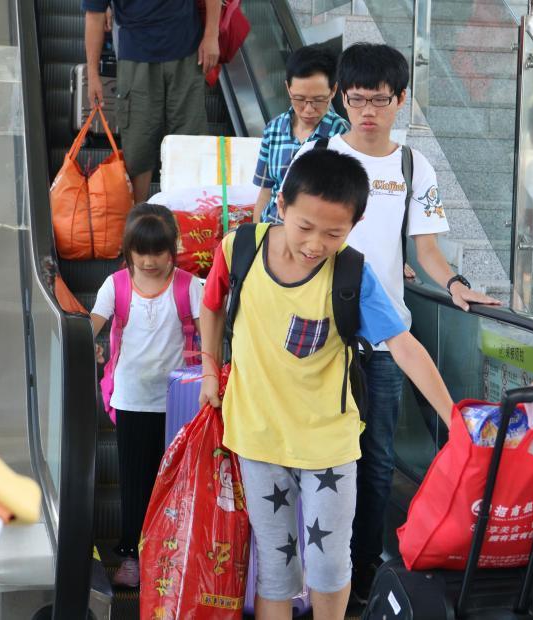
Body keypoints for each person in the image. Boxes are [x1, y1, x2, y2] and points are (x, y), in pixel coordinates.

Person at [198, 149, 454, 620]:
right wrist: (210, 369)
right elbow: (212, 305)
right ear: (280, 205)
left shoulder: (353, 274)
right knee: (275, 564)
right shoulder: (241, 249)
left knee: (330, 563)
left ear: (354, 225)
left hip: (328, 443)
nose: (316, 244)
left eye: (334, 233)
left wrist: (453, 419)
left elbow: (403, 345)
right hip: (258, 436)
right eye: (305, 227)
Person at [292, 42, 500, 601]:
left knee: (377, 460)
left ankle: (360, 578)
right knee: (314, 453)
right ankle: (311, 576)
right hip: (318, 336)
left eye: (380, 101)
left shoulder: (413, 165)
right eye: (356, 99)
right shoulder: (316, 156)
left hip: (383, 339)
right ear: (339, 97)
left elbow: (425, 248)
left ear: (401, 100)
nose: (367, 112)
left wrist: (453, 284)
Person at [90, 204, 203, 587]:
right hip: (133, 398)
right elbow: (92, 325)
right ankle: (132, 555)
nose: (151, 261)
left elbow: (211, 336)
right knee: (134, 480)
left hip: (179, 402)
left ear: (173, 249)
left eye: (159, 252)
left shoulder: (190, 286)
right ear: (128, 251)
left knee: (172, 480)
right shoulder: (116, 285)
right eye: (142, 252)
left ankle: (170, 552)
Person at [83, 0, 220, 203]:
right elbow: (94, 15)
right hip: (135, 56)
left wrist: (211, 35)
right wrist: (92, 74)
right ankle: (139, 218)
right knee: (138, 146)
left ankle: (186, 219)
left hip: (185, 49)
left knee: (189, 141)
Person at [252, 44, 350, 224]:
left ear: (333, 90)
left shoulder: (342, 134)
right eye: (299, 99)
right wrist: (257, 237)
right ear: (288, 88)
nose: (308, 109)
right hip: (272, 231)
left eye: (319, 100)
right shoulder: (273, 130)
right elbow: (265, 193)